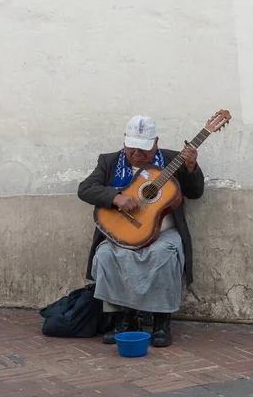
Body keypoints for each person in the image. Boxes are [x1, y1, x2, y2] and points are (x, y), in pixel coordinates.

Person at [77, 115, 204, 347]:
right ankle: (124, 319)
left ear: (155, 142)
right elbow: (86, 189)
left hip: (163, 233)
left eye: (143, 148)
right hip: (123, 231)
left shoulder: (172, 159)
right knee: (106, 254)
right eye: (132, 147)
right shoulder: (109, 161)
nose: (137, 153)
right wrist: (115, 197)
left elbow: (195, 192)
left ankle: (161, 322)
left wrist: (191, 167)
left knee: (164, 255)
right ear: (125, 141)